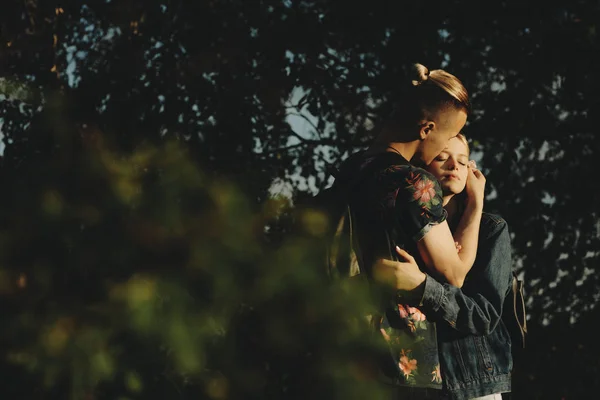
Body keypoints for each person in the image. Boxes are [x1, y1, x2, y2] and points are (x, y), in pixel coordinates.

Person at [330, 63, 485, 399]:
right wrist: (475, 204)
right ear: (427, 128)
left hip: (341, 343)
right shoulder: (414, 182)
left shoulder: (352, 168)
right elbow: (455, 273)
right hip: (398, 359)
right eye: (446, 138)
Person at [420, 133, 514, 399]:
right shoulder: (407, 226)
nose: (454, 166)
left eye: (463, 161)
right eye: (441, 157)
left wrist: (423, 287)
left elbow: (485, 315)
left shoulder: (491, 230)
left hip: (472, 383)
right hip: (415, 384)